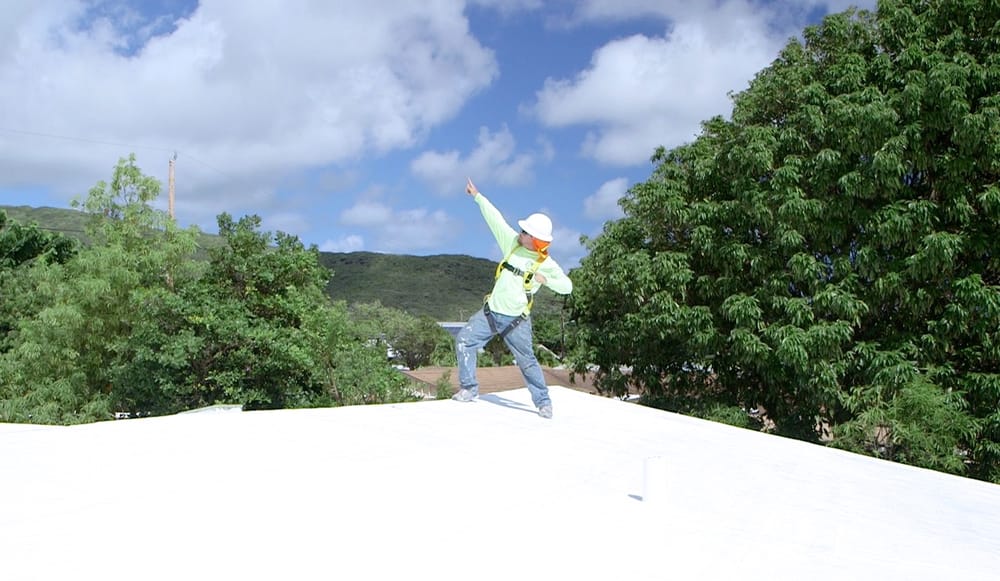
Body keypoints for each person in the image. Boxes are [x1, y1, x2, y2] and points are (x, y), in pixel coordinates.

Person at [452, 178, 573, 419]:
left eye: (525, 232)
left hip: (517, 321)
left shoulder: (546, 264)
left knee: (527, 361)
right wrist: (477, 196)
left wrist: (546, 280)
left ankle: (543, 402)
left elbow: (567, 287)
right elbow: (495, 219)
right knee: (464, 341)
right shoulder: (512, 243)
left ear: (535, 240)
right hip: (490, 313)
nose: (520, 233)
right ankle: (469, 388)